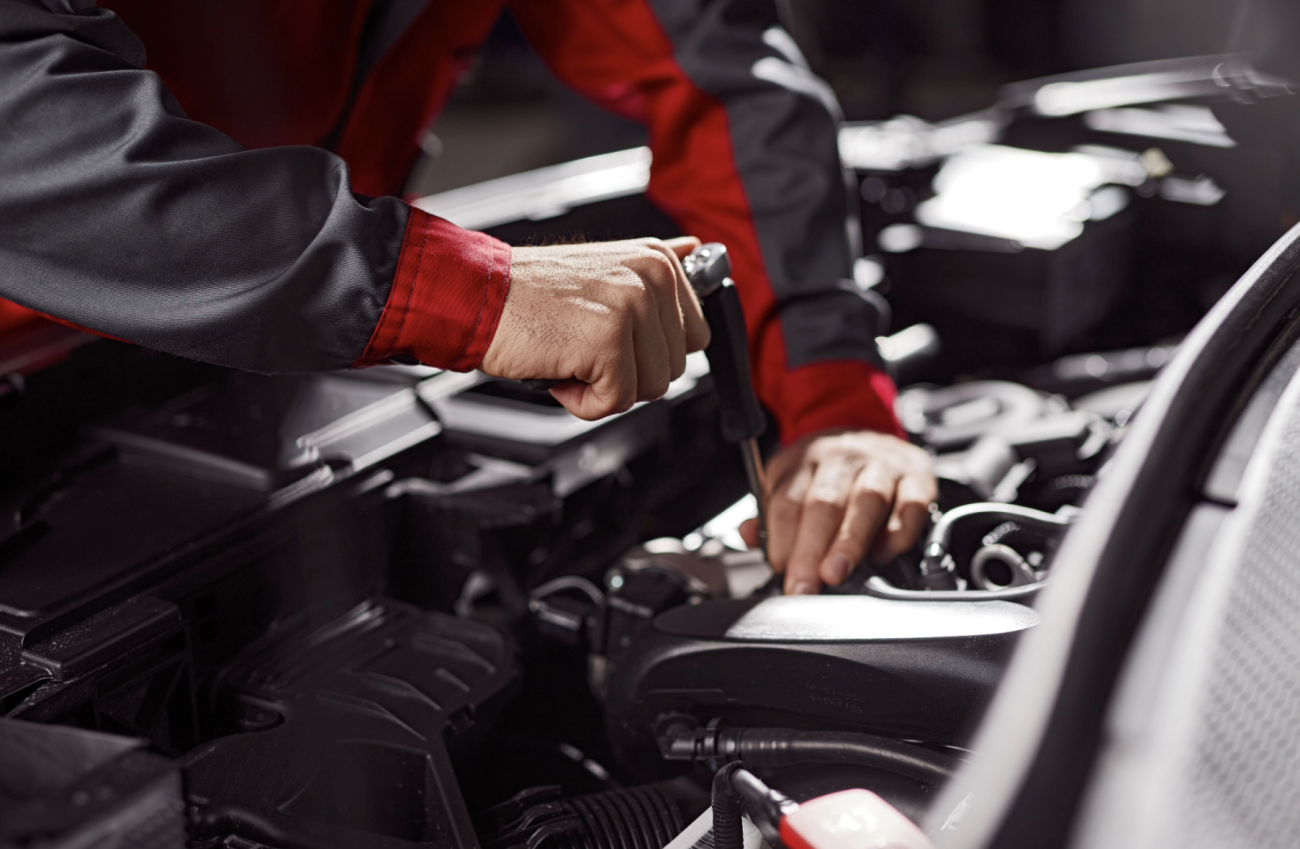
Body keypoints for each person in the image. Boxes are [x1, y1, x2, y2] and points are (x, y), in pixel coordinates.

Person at [0, 0, 935, 593]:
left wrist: (833, 396)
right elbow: (22, 127)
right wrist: (465, 293)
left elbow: (718, 74)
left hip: (294, 325)